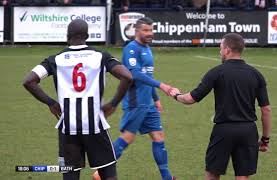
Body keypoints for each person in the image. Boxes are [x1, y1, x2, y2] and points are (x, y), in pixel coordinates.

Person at [22, 19, 133, 180]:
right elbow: (127, 76)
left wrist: (50, 102)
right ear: (87, 36)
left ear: (67, 36)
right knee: (108, 175)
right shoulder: (101, 56)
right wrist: (113, 103)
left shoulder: (55, 59)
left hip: (67, 128)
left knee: (70, 175)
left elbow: (28, 81)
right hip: (95, 125)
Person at [170, 33, 271, 180]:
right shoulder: (256, 74)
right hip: (248, 131)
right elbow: (266, 110)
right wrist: (265, 139)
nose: (219, 51)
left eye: (220, 48)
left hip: (224, 131)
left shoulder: (217, 72)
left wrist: (176, 95)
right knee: (243, 176)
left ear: (227, 50)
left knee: (212, 173)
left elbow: (191, 98)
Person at [92, 17, 176, 180]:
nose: (149, 33)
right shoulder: (131, 49)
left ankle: (167, 178)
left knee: (158, 137)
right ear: (137, 31)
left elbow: (148, 75)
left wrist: (156, 98)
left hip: (148, 103)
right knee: (127, 138)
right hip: (135, 101)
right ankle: (100, 173)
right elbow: (135, 74)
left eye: (151, 30)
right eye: (145, 30)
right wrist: (162, 86)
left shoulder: (147, 48)